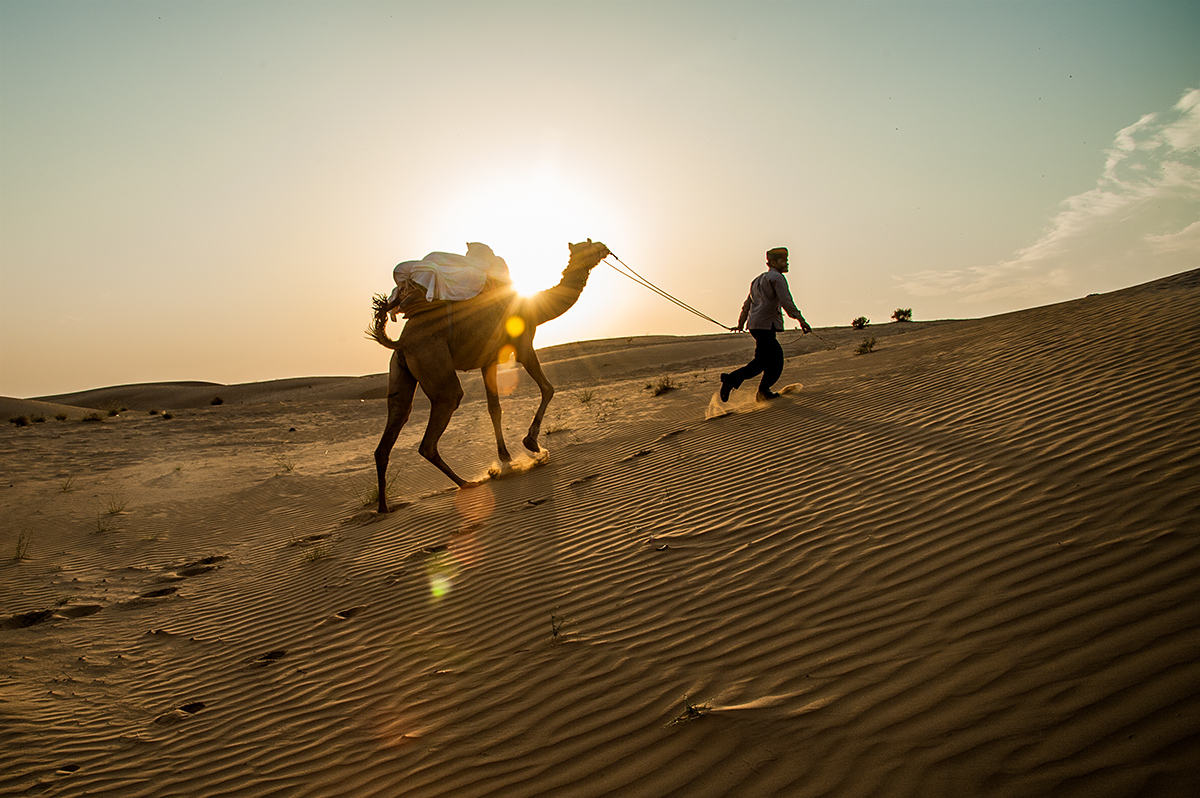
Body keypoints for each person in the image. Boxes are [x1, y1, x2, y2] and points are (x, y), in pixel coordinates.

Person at [720, 246, 811, 402]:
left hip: (757, 325)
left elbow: (747, 304)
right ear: (774, 262)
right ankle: (738, 382)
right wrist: (801, 320)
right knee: (771, 360)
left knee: (767, 360)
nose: (787, 263)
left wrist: (741, 323)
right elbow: (786, 301)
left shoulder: (757, 280)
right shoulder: (777, 278)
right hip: (765, 325)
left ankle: (761, 390)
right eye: (783, 260)